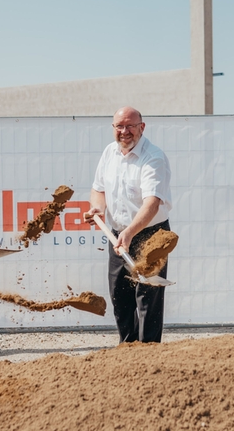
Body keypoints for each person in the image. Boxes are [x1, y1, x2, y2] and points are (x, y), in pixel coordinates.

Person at [85, 107, 173, 343]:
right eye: (119, 126)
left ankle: (149, 351)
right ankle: (128, 347)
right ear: (113, 128)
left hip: (150, 234)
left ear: (141, 128)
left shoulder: (153, 157)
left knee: (147, 296)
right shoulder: (109, 153)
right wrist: (97, 208)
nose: (124, 131)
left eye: (130, 126)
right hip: (118, 234)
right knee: (119, 294)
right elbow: (98, 188)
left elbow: (152, 203)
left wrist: (130, 232)